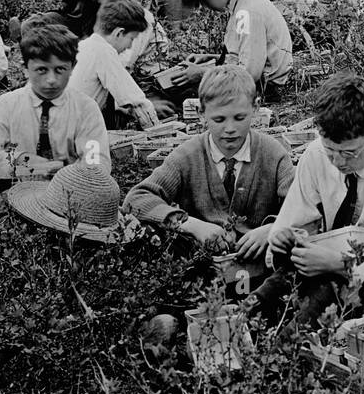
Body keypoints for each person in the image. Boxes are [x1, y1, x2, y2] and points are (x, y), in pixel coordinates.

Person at [256, 74, 364, 323]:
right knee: (271, 290)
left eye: (349, 152)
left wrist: (340, 265)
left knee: (318, 301)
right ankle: (239, 327)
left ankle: (289, 346)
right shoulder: (315, 155)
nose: (338, 161)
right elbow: (294, 219)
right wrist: (286, 238)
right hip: (320, 263)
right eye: (330, 150)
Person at [124, 65, 291, 253]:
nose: (230, 128)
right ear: (201, 113)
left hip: (264, 262)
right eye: (219, 120)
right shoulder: (186, 156)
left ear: (256, 107)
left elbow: (303, 207)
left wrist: (273, 230)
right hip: (201, 262)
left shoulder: (274, 154)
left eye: (239, 118)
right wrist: (190, 225)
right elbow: (136, 200)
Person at [0, 22, 109, 184]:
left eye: (60, 70)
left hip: (72, 194)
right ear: (25, 69)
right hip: (16, 192)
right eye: (41, 70)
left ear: (72, 67)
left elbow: (97, 162)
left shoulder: (85, 109)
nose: (51, 80)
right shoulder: (6, 107)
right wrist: (19, 162)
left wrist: (66, 174)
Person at [181, 0, 294, 102]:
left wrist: (202, 72)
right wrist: (212, 58)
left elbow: (248, 74)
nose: (206, 6)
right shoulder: (244, 2)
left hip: (267, 88)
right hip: (259, 81)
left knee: (188, 95)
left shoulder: (247, 11)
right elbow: (246, 55)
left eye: (204, 1)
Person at [68, 0, 158, 129]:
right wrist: (158, 129)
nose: (129, 47)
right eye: (131, 39)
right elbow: (135, 101)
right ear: (119, 33)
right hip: (75, 131)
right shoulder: (104, 51)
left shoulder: (85, 46)